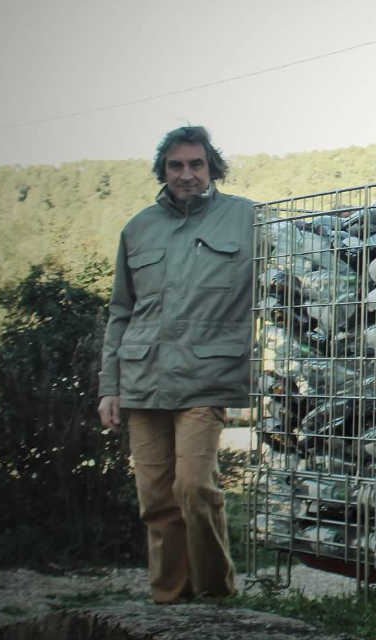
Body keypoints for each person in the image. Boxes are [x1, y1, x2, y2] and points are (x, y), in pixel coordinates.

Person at [97, 125, 253, 604]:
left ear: (212, 169)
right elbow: (120, 312)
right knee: (156, 500)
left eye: (196, 164)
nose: (187, 174)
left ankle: (216, 590)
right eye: (176, 165)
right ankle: (169, 598)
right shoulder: (137, 228)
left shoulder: (247, 219)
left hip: (207, 376)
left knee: (192, 487)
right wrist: (110, 386)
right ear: (163, 171)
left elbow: (305, 250)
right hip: (142, 377)